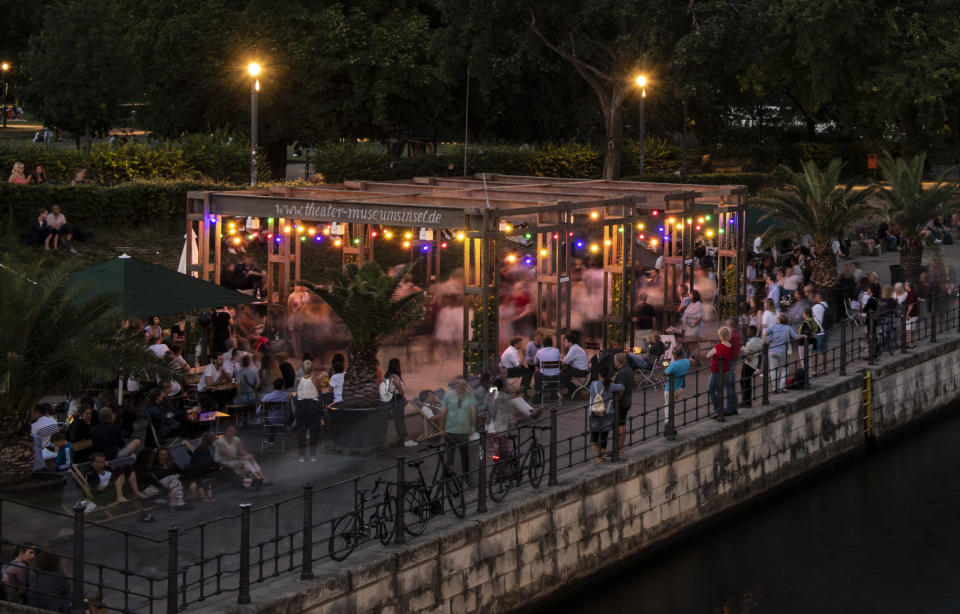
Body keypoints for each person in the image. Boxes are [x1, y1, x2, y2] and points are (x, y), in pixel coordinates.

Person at [441, 378, 477, 479]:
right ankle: (447, 475)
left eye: (463, 385)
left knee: (464, 455)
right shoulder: (448, 395)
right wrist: (442, 428)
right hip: (451, 430)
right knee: (450, 455)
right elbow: (443, 412)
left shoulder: (469, 396)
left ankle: (465, 476)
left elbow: (473, 412)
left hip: (463, 430)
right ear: (456, 385)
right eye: (459, 384)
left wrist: (472, 426)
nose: (461, 386)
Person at [588, 368, 625, 462]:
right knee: (604, 434)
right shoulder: (611, 386)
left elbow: (591, 393)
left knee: (594, 433)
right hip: (607, 412)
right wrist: (614, 378)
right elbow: (622, 387)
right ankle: (601, 456)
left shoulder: (593, 384)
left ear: (599, 375)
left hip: (594, 411)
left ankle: (596, 456)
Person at [295, 360, 327, 461]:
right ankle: (313, 455)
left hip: (301, 406)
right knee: (314, 431)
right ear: (311, 368)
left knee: (302, 432)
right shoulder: (315, 380)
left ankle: (301, 456)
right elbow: (320, 392)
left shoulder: (299, 380)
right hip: (313, 406)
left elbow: (298, 392)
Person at [381, 358, 417, 448]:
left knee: (397, 421)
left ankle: (400, 440)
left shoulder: (387, 376)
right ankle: (404, 441)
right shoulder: (395, 377)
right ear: (397, 366)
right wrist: (402, 394)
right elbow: (400, 391)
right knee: (400, 421)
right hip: (396, 401)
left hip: (391, 401)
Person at [707, 327, 738, 419]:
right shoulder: (730, 346)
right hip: (726, 370)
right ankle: (721, 408)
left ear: (721, 336)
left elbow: (708, 355)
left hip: (716, 371)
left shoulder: (718, 347)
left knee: (711, 389)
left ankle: (718, 410)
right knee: (719, 389)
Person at [763, 313, 798, 392]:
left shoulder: (774, 327)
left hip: (772, 351)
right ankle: (782, 386)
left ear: (779, 321)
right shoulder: (788, 328)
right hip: (783, 351)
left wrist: (767, 342)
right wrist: (803, 336)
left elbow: (764, 333)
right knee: (785, 368)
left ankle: (775, 388)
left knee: (773, 370)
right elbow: (796, 336)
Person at [663, 347, 690, 425]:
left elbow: (665, 373)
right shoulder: (686, 362)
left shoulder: (674, 364)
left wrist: (665, 364)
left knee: (667, 406)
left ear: (674, 355)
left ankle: (668, 424)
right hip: (680, 387)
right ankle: (671, 423)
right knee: (672, 405)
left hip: (671, 388)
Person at [613, 353, 634, 452]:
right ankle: (620, 448)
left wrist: (616, 400)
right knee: (622, 423)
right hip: (628, 400)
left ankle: (618, 449)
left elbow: (621, 388)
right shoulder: (629, 370)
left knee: (619, 425)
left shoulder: (621, 373)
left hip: (621, 402)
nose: (614, 362)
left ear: (618, 362)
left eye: (615, 360)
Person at [532, 336, 562, 403]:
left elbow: (535, 361)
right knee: (553, 373)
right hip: (556, 377)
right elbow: (560, 359)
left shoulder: (539, 351)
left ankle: (538, 394)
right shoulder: (556, 350)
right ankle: (554, 393)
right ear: (552, 343)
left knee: (537, 374)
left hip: (544, 377)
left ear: (543, 344)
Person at [740, 326, 763, 408]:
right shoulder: (760, 340)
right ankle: (747, 401)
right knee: (746, 382)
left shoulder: (749, 343)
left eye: (748, 331)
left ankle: (746, 402)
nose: (747, 332)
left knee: (744, 382)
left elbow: (747, 356)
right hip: (754, 364)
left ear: (751, 332)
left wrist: (742, 350)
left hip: (748, 365)